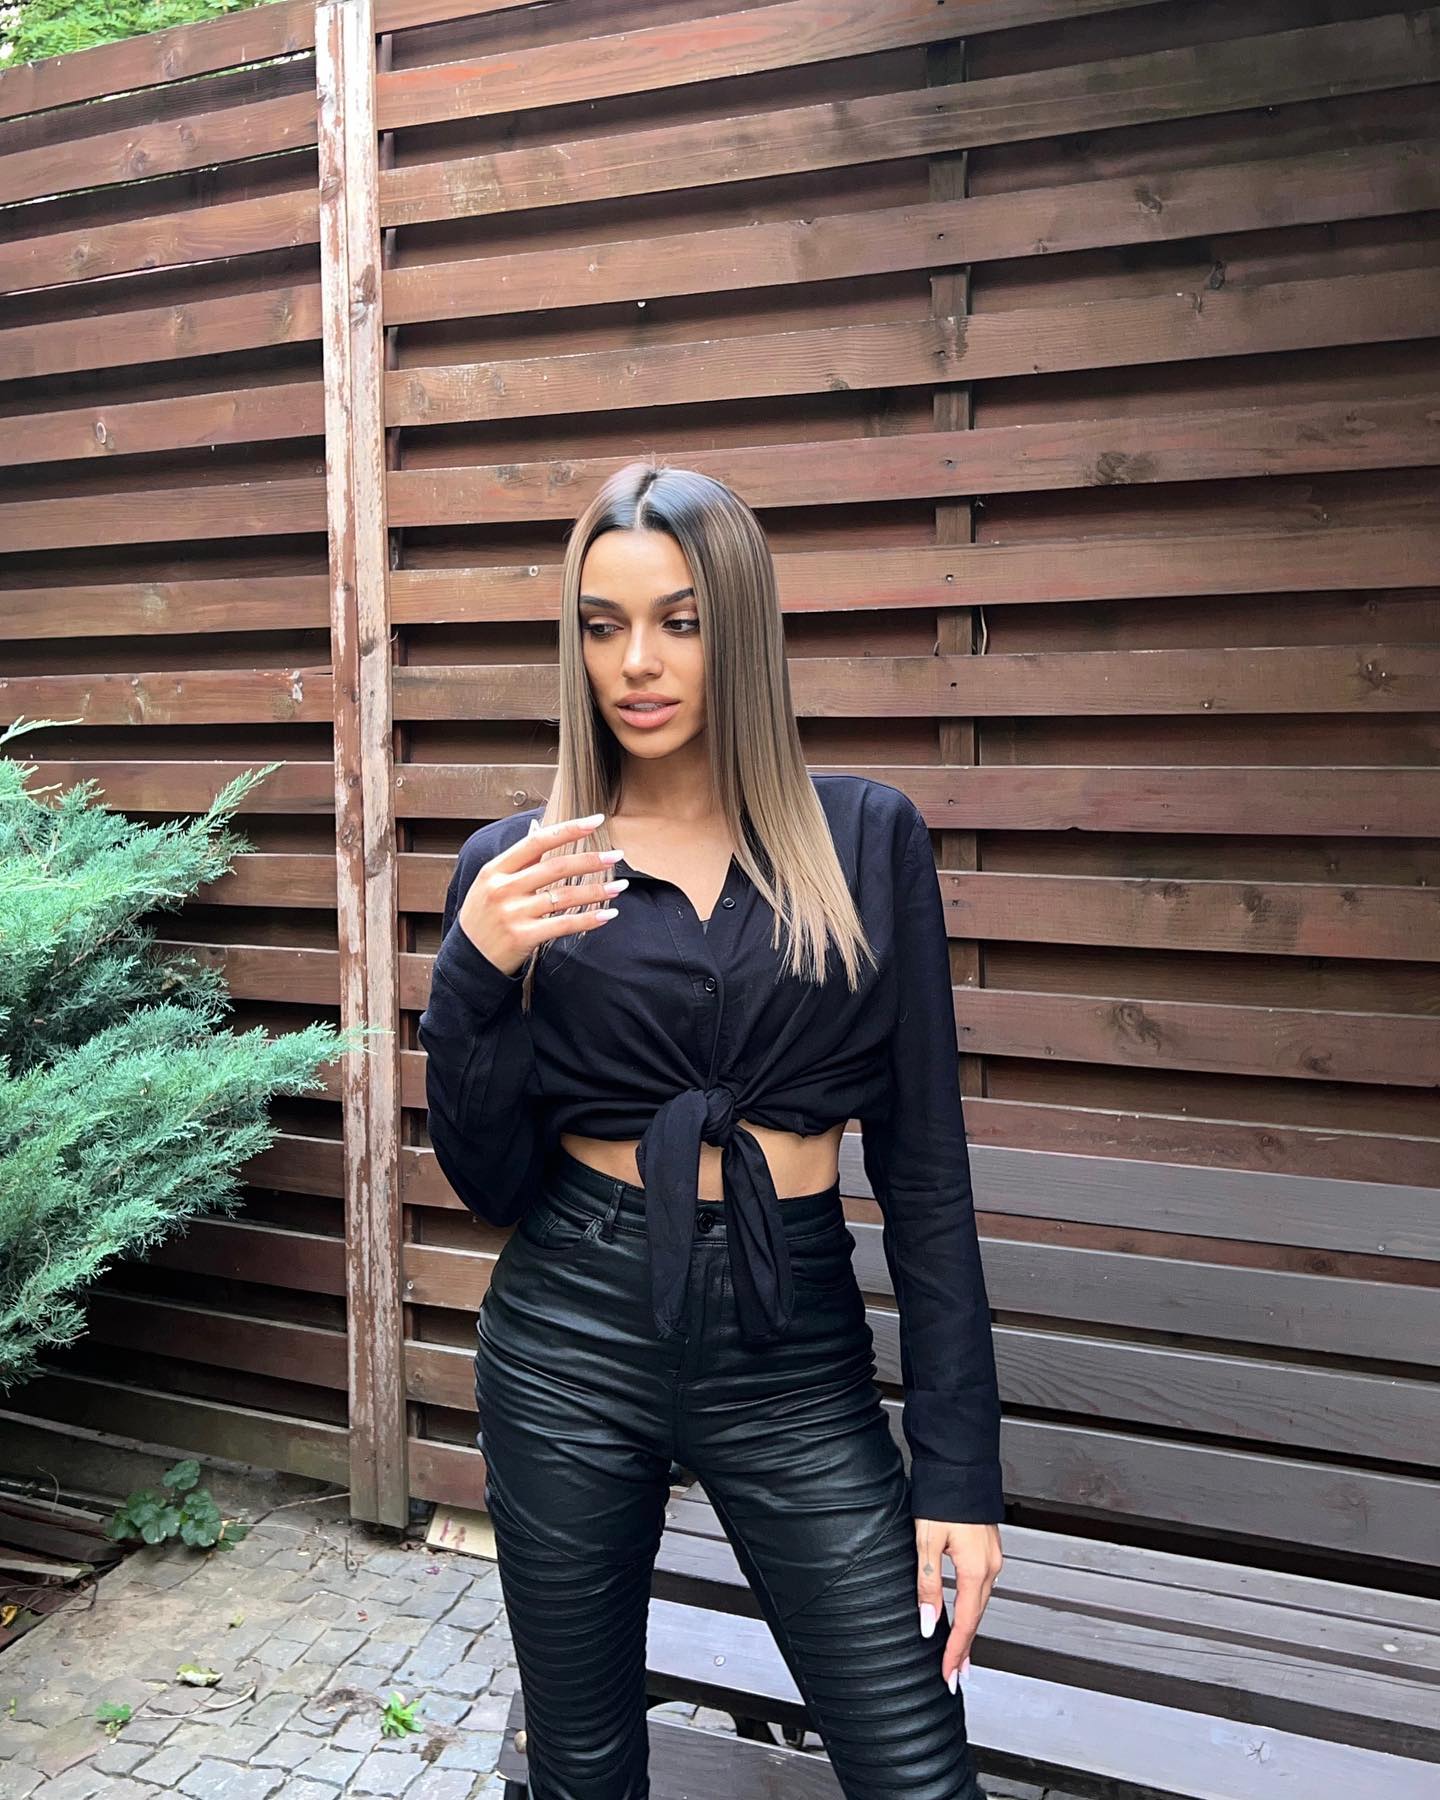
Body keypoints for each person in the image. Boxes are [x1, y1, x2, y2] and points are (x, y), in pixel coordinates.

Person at [417, 460, 1004, 1799]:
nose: (637, 661)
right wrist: (471, 977)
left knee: (916, 1768)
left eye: (678, 621)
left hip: (790, 1342)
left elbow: (925, 1174)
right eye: (603, 623)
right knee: (582, 1769)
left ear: (739, 629)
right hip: (570, 1330)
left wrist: (960, 1475)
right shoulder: (524, 870)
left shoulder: (865, 840)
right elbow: (490, 1180)